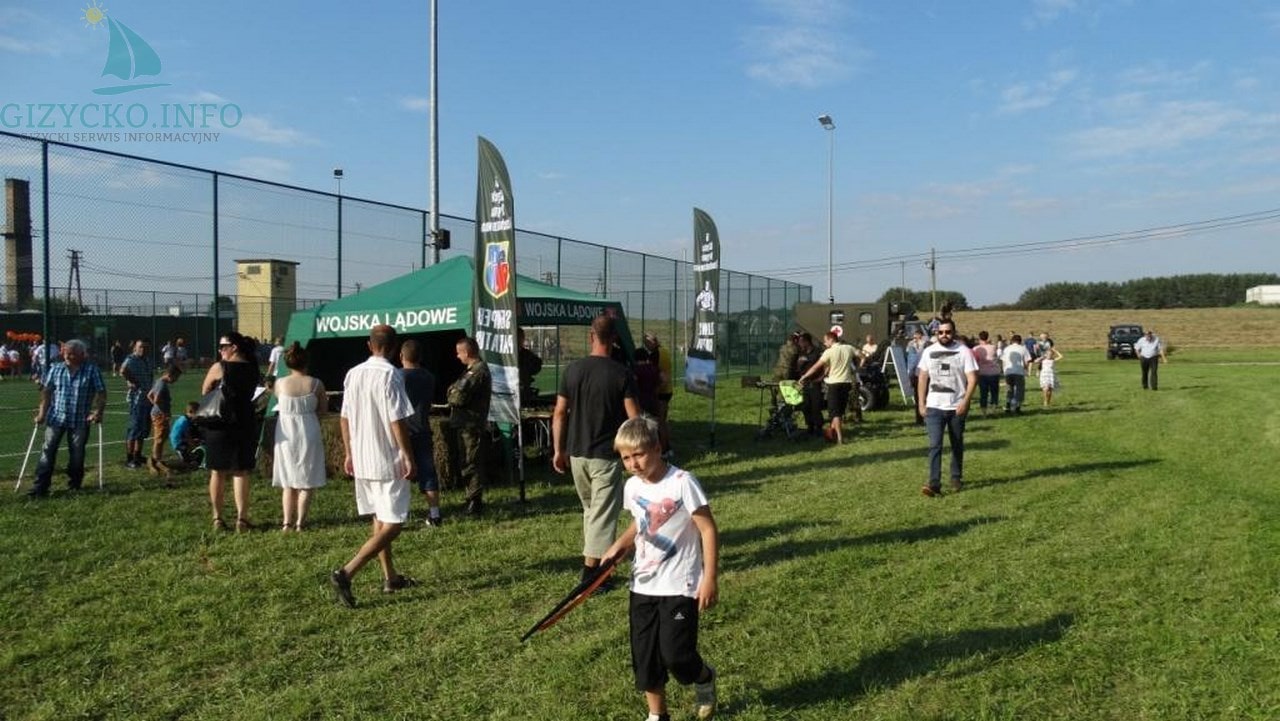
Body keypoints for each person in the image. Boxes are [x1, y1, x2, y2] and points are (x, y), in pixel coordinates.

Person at [602, 416, 719, 721]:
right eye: (626, 458)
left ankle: (704, 677)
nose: (633, 464)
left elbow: (707, 529)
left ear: (657, 448)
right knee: (645, 657)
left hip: (681, 585)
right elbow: (641, 524)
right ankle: (657, 715)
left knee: (677, 656)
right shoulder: (632, 486)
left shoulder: (682, 482)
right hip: (642, 584)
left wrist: (709, 577)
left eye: (639, 455)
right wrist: (619, 545)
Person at [331, 324, 418, 608]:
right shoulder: (391, 374)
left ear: (370, 345)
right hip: (387, 458)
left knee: (380, 519)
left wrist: (349, 452)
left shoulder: (353, 374)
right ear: (394, 349)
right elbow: (397, 419)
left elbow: (344, 417)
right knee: (394, 523)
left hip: (363, 456)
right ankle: (347, 571)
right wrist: (407, 455)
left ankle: (390, 577)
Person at [552, 314, 641, 589]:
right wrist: (639, 454)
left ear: (591, 336)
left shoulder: (572, 370)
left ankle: (599, 569)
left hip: (577, 453)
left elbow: (559, 412)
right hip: (605, 455)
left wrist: (558, 450)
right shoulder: (621, 373)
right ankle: (592, 575)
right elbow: (634, 419)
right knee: (602, 516)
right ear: (614, 339)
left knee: (591, 512)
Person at [27, 340, 106, 497]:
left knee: (77, 453)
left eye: (71, 354)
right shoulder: (56, 369)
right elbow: (47, 392)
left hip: (80, 420)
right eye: (65, 353)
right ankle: (40, 486)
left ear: (81, 355)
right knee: (47, 451)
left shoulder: (91, 370)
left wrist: (98, 412)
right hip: (56, 418)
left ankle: (74, 484)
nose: (67, 356)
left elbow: (101, 393)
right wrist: (42, 413)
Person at [200, 332, 261, 532]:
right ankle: (242, 518)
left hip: (220, 422)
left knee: (217, 471)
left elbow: (205, 391)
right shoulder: (253, 368)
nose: (220, 351)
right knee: (241, 471)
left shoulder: (220, 367)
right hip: (244, 421)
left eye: (223, 347)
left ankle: (217, 518)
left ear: (234, 347)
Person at [916, 319, 978, 497]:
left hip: (956, 406)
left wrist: (965, 401)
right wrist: (921, 403)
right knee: (935, 444)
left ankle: (956, 477)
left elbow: (972, 379)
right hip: (934, 407)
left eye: (948, 332)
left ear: (954, 332)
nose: (944, 335)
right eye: (941, 332)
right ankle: (934, 483)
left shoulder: (963, 351)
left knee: (956, 443)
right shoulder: (929, 351)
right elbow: (922, 378)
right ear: (936, 333)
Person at [271, 342, 328, 532]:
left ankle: (287, 522)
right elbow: (323, 410)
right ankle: (300, 523)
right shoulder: (316, 384)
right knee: (307, 479)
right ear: (306, 362)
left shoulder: (279, 384)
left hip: (285, 433)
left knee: (288, 480)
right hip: (309, 430)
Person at [447, 336, 492, 516]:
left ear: (466, 352)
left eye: (459, 353)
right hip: (466, 425)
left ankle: (475, 501)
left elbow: (457, 397)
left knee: (471, 463)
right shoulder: (472, 371)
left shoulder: (477, 372)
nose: (457, 356)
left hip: (471, 426)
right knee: (466, 461)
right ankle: (471, 497)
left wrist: (452, 392)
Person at [400, 338, 443, 527]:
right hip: (422, 429)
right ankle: (435, 513)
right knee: (428, 472)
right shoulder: (429, 377)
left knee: (399, 473)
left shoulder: (397, 377)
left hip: (401, 431)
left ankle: (399, 513)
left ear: (401, 356)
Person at [796, 330, 857, 444]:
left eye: (825, 341)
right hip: (845, 382)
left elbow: (817, 367)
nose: (824, 343)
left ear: (831, 339)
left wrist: (807, 376)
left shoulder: (825, 352)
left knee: (833, 411)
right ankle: (829, 432)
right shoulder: (849, 348)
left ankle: (838, 437)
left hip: (830, 383)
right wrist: (858, 370)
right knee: (835, 411)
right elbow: (863, 356)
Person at [120, 338, 154, 469]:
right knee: (134, 429)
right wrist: (132, 381)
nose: (143, 349)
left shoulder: (147, 360)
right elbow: (123, 370)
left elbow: (150, 376)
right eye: (140, 347)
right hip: (137, 400)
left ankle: (137, 455)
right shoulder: (131, 359)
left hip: (147, 399)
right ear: (135, 347)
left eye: (146, 347)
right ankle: (129, 458)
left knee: (143, 429)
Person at [146, 363, 182, 475]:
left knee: (161, 437)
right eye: (176, 377)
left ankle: (157, 459)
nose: (176, 380)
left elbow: (149, 395)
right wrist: (163, 412)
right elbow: (156, 399)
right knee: (159, 438)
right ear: (170, 375)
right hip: (160, 415)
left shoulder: (159, 381)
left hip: (158, 414)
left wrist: (156, 407)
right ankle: (156, 461)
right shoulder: (162, 384)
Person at [642, 332, 674, 457]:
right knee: (663, 421)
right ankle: (668, 447)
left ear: (653, 342)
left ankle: (665, 450)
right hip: (667, 390)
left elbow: (659, 375)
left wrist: (654, 391)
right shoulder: (663, 351)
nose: (646, 346)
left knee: (660, 422)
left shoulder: (655, 354)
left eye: (647, 343)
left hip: (661, 392)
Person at [793, 332, 824, 436]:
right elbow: (798, 368)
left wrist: (821, 378)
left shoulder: (817, 352)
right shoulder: (801, 353)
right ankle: (810, 426)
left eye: (801, 342)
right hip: (804, 383)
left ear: (807, 341)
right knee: (806, 406)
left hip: (814, 383)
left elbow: (824, 366)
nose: (799, 344)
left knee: (816, 406)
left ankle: (818, 427)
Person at [1000, 333, 1030, 414]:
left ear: (1012, 341)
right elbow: (1026, 361)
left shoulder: (1007, 348)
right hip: (1019, 371)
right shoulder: (1023, 349)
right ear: (1020, 341)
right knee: (1019, 389)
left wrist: (1004, 370)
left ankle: (1008, 405)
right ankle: (1017, 407)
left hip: (1008, 371)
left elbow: (1003, 361)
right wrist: (1025, 370)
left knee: (1009, 389)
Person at [973, 331, 1001, 416]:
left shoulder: (976, 349)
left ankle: (983, 412)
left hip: (982, 373)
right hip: (994, 372)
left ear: (979, 338)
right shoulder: (993, 347)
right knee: (994, 392)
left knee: (983, 393)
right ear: (987, 337)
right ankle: (993, 410)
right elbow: (996, 357)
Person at [170, 400, 204, 468]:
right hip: (178, 443)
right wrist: (194, 445)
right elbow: (187, 436)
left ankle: (189, 454)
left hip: (182, 439)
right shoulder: (184, 422)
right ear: (191, 412)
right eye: (197, 413)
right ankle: (184, 455)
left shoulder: (186, 419)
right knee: (189, 462)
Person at [905, 328, 928, 425]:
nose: (914, 337)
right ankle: (920, 419)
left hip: (922, 374)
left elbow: (913, 362)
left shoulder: (925, 344)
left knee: (922, 397)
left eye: (916, 335)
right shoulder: (912, 344)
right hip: (917, 374)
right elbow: (909, 357)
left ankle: (923, 418)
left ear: (920, 335)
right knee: (920, 397)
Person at [517, 328, 544, 406]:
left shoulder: (527, 354)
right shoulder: (508, 354)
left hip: (524, 389)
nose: (521, 340)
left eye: (522, 337)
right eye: (519, 337)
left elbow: (537, 364)